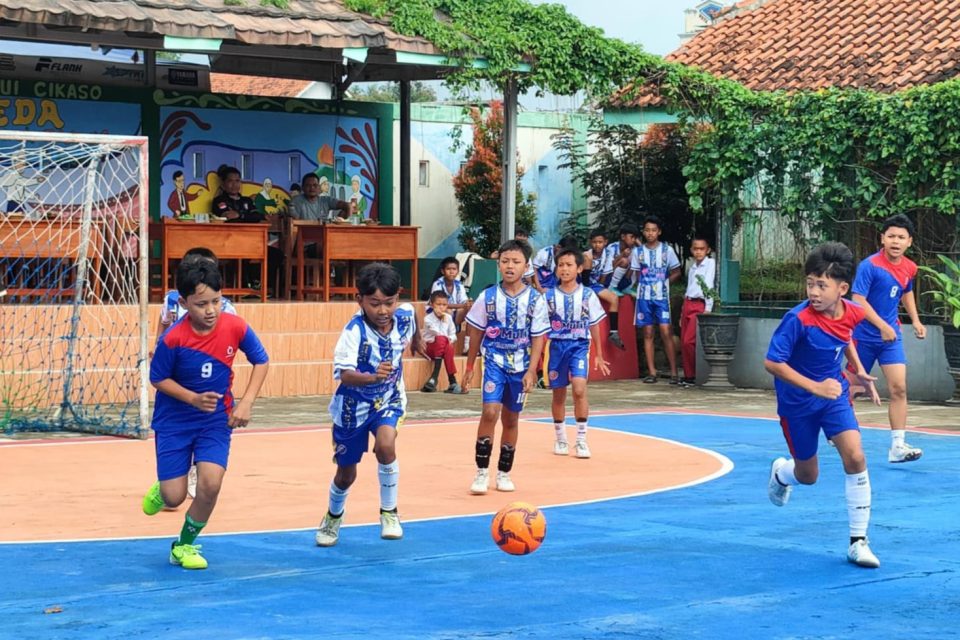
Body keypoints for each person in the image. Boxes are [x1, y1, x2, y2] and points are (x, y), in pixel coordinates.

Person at [141, 260, 269, 570]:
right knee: (174, 497)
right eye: (201, 304)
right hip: (174, 422)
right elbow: (157, 378)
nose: (211, 310)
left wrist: (246, 403)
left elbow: (261, 361)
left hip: (215, 420)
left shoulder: (236, 326)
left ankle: (183, 545)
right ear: (183, 303)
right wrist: (192, 398)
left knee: (210, 484)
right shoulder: (173, 338)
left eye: (216, 301)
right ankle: (164, 489)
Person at [764, 242, 882, 569]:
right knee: (808, 475)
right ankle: (782, 474)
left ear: (842, 289)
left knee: (855, 456)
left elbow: (845, 337)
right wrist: (815, 387)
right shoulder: (797, 319)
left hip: (834, 397)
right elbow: (772, 363)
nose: (813, 292)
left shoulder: (853, 311)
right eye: (809, 283)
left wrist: (858, 370)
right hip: (797, 405)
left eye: (821, 285)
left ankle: (858, 542)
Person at [315, 263, 425, 546]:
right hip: (353, 408)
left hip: (389, 399)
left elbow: (413, 312)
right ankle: (333, 516)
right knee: (346, 474)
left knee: (386, 446)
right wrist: (373, 376)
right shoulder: (354, 332)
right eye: (375, 304)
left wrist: (417, 340)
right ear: (360, 300)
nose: (383, 310)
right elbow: (345, 375)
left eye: (389, 302)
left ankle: (389, 512)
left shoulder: (403, 315)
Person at [462, 239, 549, 494]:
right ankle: (481, 472)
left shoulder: (535, 300)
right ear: (498, 264)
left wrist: (532, 370)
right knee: (490, 412)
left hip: (521, 366)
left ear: (526, 266)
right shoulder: (487, 297)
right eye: (505, 261)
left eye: (516, 262)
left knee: (511, 418)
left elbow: (538, 338)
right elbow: (476, 331)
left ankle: (504, 472)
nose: (510, 266)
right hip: (494, 361)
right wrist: (470, 367)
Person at [155, 247, 239, 501]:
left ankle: (196, 470)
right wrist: (158, 345)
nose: (210, 309)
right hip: (179, 379)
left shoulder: (227, 310)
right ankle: (170, 481)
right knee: (172, 496)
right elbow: (164, 324)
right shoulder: (172, 302)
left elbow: (232, 341)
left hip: (209, 381)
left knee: (208, 459)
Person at [848, 214, 926, 463]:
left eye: (901, 237)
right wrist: (881, 325)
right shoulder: (869, 266)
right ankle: (835, 426)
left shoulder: (910, 267)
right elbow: (858, 300)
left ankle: (897, 447)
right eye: (891, 236)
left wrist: (915, 320)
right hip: (862, 337)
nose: (896, 241)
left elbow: (906, 292)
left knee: (899, 388)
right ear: (882, 238)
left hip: (891, 339)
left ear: (909, 241)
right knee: (851, 389)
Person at [546, 248, 611, 458]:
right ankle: (561, 438)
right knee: (558, 393)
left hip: (579, 346)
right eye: (560, 265)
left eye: (569, 265)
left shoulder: (588, 294)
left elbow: (594, 324)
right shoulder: (548, 296)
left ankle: (581, 440)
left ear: (579, 268)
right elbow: (539, 326)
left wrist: (599, 354)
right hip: (557, 347)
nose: (564, 269)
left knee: (579, 388)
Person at [631, 216, 682, 384]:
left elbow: (677, 271)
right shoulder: (638, 252)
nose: (650, 233)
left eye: (653, 230)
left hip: (662, 298)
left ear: (659, 232)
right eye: (647, 230)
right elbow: (636, 274)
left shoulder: (667, 250)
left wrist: (664, 283)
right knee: (647, 332)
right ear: (643, 232)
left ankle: (674, 373)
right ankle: (652, 372)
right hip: (644, 298)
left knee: (666, 331)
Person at [679, 235, 716, 386]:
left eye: (702, 249)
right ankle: (688, 375)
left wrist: (708, 307)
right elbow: (689, 288)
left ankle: (694, 374)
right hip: (688, 302)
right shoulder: (693, 267)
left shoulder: (710, 264)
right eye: (695, 249)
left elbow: (708, 285)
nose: (698, 252)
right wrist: (682, 311)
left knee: (689, 341)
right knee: (683, 341)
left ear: (708, 250)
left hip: (700, 304)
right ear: (691, 250)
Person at [584, 229, 625, 350]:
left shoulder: (608, 255)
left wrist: (602, 289)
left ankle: (613, 333)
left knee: (614, 298)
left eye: (600, 242)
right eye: (594, 242)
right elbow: (583, 278)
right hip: (584, 284)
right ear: (590, 242)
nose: (597, 245)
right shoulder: (587, 255)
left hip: (596, 284)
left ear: (605, 242)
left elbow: (604, 276)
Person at [421, 290, 462, 393]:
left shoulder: (448, 317)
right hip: (430, 348)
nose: (441, 307)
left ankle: (449, 381)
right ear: (432, 305)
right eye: (438, 304)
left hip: (442, 349)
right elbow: (438, 334)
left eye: (444, 305)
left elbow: (453, 334)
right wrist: (443, 320)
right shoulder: (428, 319)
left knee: (449, 347)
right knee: (441, 339)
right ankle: (438, 376)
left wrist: (450, 339)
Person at [289, 173, 353, 222]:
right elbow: (294, 225)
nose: (312, 188)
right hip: (304, 234)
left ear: (319, 187)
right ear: (302, 188)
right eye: (308, 185)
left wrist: (339, 221)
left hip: (324, 233)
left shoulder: (326, 200)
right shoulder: (296, 202)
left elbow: (348, 206)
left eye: (315, 185)